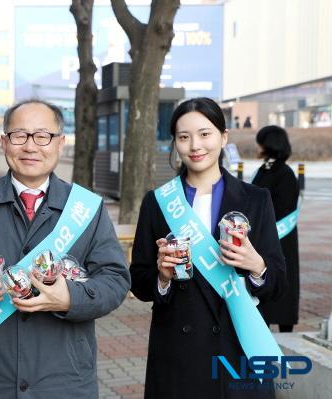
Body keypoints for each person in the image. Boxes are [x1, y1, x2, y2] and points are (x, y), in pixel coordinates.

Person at [0, 99, 130, 398]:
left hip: (64, 380)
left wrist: (70, 298)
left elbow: (116, 280)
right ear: (4, 142)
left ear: (60, 143)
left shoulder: (87, 207)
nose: (30, 146)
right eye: (19, 136)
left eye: (42, 136)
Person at [130, 97, 286, 399]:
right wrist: (161, 277)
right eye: (184, 137)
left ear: (223, 137)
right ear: (174, 143)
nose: (195, 146)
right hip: (178, 353)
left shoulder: (256, 199)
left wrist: (257, 266)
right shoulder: (158, 202)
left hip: (237, 348)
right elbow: (139, 281)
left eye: (205, 134)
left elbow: (278, 284)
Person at [253, 125, 300, 333]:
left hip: (283, 238)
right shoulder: (263, 170)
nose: (258, 146)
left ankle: (286, 325)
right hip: (264, 237)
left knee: (284, 279)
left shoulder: (286, 173)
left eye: (260, 142)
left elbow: (282, 209)